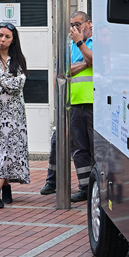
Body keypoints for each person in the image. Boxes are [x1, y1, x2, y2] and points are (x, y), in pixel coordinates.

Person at [40, 11, 94, 202]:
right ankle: (85, 187)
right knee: (78, 149)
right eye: (72, 25)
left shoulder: (95, 42)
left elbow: (95, 60)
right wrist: (84, 63)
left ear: (89, 24)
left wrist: (82, 48)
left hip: (93, 103)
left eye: (78, 24)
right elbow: (62, 71)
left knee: (95, 148)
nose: (74, 29)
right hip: (73, 103)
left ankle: (96, 186)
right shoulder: (68, 45)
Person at [0, 23, 30, 208]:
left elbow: (18, 86)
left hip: (14, 114)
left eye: (7, 36)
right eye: (0, 35)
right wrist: (6, 83)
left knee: (7, 149)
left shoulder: (18, 61)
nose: (2, 39)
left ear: (13, 40)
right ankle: (6, 188)